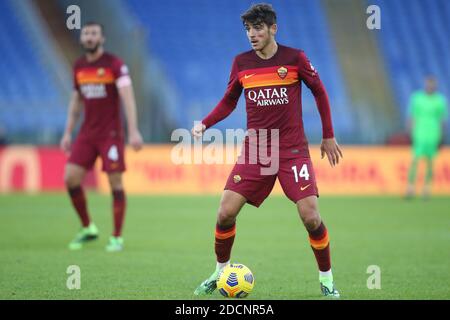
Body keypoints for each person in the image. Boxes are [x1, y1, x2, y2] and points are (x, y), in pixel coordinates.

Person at [192, 4, 343, 297]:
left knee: (311, 216)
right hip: (256, 150)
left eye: (258, 28)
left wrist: (328, 135)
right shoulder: (241, 63)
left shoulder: (295, 58)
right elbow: (228, 101)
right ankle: (220, 272)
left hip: (292, 150)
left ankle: (327, 281)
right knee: (225, 212)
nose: (252, 34)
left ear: (273, 28)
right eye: (248, 29)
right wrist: (205, 124)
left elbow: (320, 91)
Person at [60, 22, 143, 252]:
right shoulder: (78, 66)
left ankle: (116, 236)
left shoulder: (114, 65)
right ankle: (88, 227)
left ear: (102, 38)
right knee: (71, 179)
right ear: (81, 38)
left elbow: (128, 98)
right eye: (86, 33)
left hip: (111, 134)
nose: (89, 37)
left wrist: (133, 130)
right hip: (87, 133)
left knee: (115, 182)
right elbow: (76, 101)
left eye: (94, 33)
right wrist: (68, 132)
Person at [406, 76, 448, 199]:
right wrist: (409, 132)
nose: (430, 86)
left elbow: (442, 120)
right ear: (425, 84)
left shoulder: (440, 100)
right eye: (428, 84)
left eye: (432, 84)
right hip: (419, 133)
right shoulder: (417, 98)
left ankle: (426, 188)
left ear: (435, 85)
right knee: (415, 160)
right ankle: (410, 188)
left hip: (433, 134)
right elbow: (411, 116)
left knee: (430, 162)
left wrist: (441, 135)